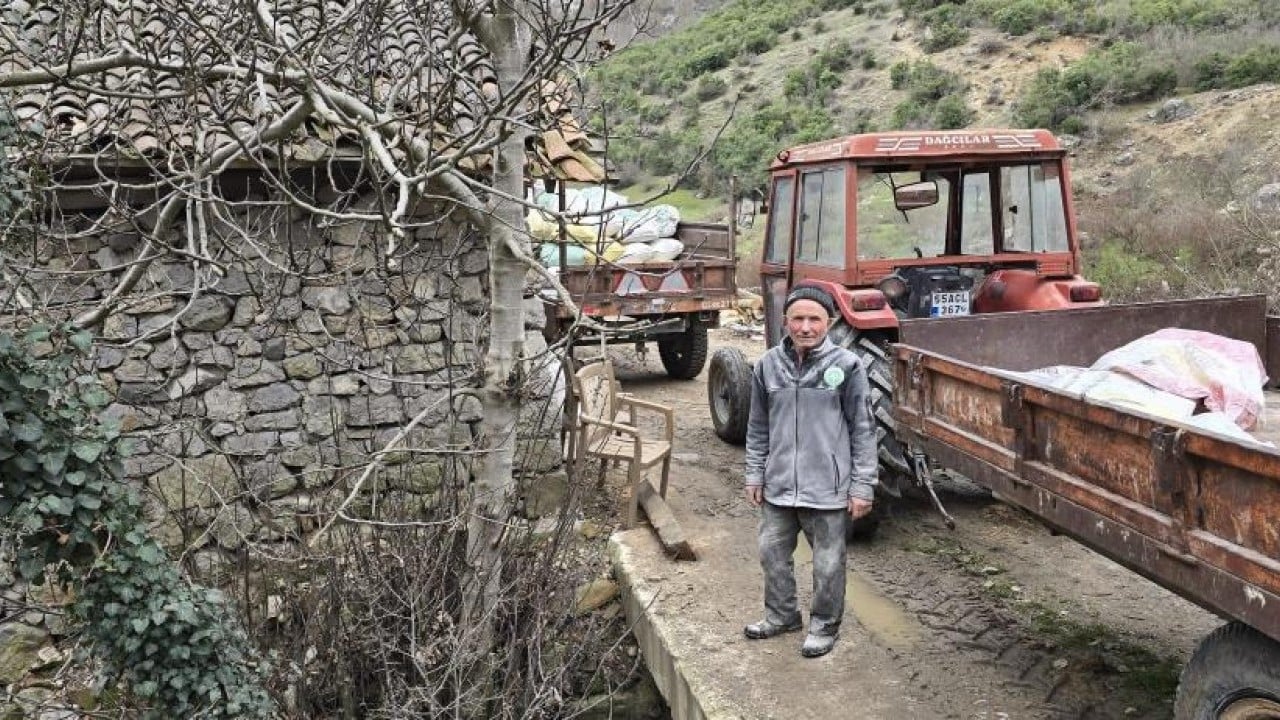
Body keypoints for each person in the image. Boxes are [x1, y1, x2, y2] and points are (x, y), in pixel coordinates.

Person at [742, 285, 878, 658]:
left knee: (828, 564)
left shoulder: (848, 367)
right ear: (785, 321)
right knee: (771, 554)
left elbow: (864, 430)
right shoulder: (769, 364)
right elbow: (757, 426)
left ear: (829, 322)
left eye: (814, 319)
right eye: (797, 319)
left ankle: (823, 625)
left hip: (828, 488)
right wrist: (755, 473)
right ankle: (782, 615)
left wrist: (862, 486)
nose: (805, 327)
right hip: (779, 484)